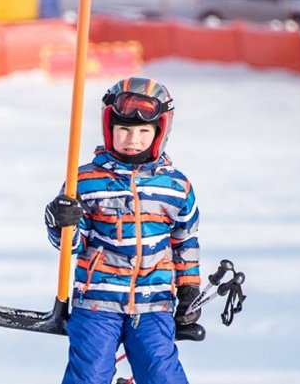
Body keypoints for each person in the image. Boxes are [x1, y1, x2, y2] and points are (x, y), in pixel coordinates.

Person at [44, 77, 201, 384]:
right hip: (97, 303)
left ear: (159, 133)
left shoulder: (176, 187)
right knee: (89, 375)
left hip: (154, 303)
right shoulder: (85, 181)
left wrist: (188, 290)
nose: (133, 139)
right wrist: (61, 221)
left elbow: (185, 241)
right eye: (124, 130)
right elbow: (74, 245)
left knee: (161, 374)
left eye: (144, 131)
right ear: (109, 129)